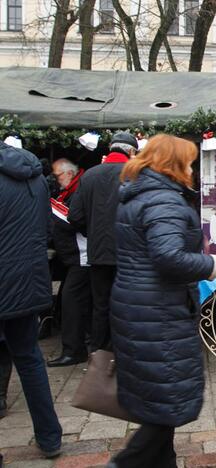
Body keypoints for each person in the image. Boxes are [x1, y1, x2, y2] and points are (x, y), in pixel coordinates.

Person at [108, 134, 216, 467]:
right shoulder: (164, 201)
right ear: (173, 163)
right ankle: (125, 462)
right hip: (158, 311)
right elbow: (168, 257)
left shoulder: (138, 194)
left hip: (138, 305)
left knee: (159, 397)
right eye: (188, 161)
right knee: (170, 400)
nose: (192, 167)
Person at [0, 141, 63, 457]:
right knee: (29, 359)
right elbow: (45, 226)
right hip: (28, 281)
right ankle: (50, 438)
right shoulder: (36, 178)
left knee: (27, 358)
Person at [70, 132, 138, 351]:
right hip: (129, 254)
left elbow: (75, 216)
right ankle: (126, 354)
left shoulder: (89, 175)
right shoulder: (136, 175)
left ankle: (99, 356)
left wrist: (92, 232)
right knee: (128, 305)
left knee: (100, 306)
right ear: (130, 152)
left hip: (98, 253)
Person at [47, 159, 93, 367]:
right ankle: (82, 344)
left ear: (69, 174)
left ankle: (74, 350)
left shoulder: (78, 191)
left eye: (57, 176)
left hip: (82, 256)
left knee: (71, 302)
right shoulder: (71, 191)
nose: (56, 181)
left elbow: (79, 220)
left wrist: (57, 211)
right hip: (76, 257)